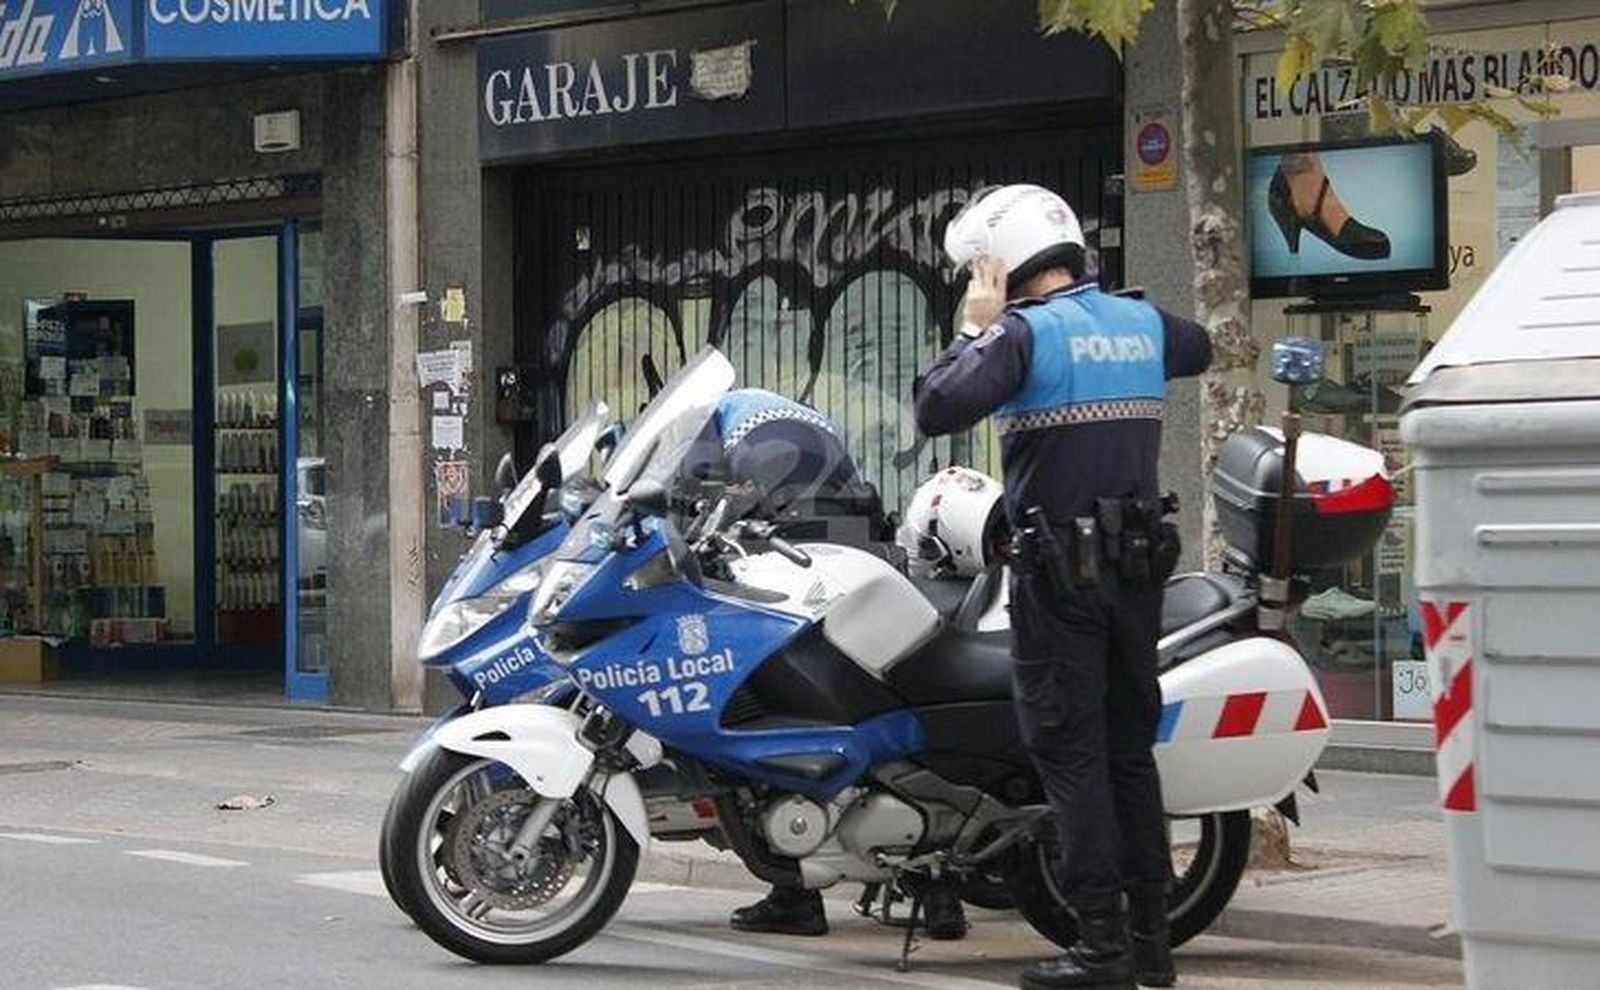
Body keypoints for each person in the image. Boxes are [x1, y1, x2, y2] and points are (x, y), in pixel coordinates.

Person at [915, 185, 1212, 989]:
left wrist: (974, 324)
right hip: (1138, 575)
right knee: (1128, 757)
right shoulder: (1145, 325)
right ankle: (1152, 946)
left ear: (1001, 264)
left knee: (1071, 757)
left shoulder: (1017, 336)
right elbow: (1203, 348)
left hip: (1059, 579)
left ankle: (1101, 948)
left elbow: (936, 404)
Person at [688, 387, 970, 942]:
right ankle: (938, 891)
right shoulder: (801, 416)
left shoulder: (713, 420)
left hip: (787, 558)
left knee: (777, 722)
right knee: (883, 709)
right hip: (857, 551)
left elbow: (689, 500)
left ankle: (794, 892)